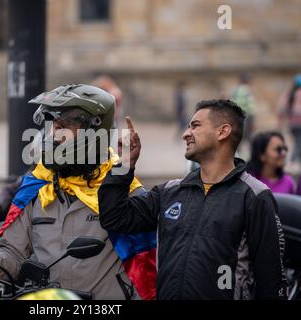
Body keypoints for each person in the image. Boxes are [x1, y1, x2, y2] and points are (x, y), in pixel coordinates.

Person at [0, 84, 157, 300]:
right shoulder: (38, 186)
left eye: (64, 127)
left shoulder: (123, 191)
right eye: (53, 127)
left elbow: (145, 268)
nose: (55, 135)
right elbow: (13, 253)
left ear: (93, 131)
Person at [98, 99, 287, 300]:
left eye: (195, 126)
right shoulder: (170, 192)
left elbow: (271, 282)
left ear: (223, 132)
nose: (185, 134)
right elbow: (114, 217)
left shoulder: (255, 196)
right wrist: (124, 165)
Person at [231, 73, 255, 146]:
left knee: (238, 137)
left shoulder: (235, 90)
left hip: (236, 116)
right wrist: (253, 119)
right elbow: (250, 106)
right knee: (248, 137)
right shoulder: (247, 90)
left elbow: (232, 102)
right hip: (246, 116)